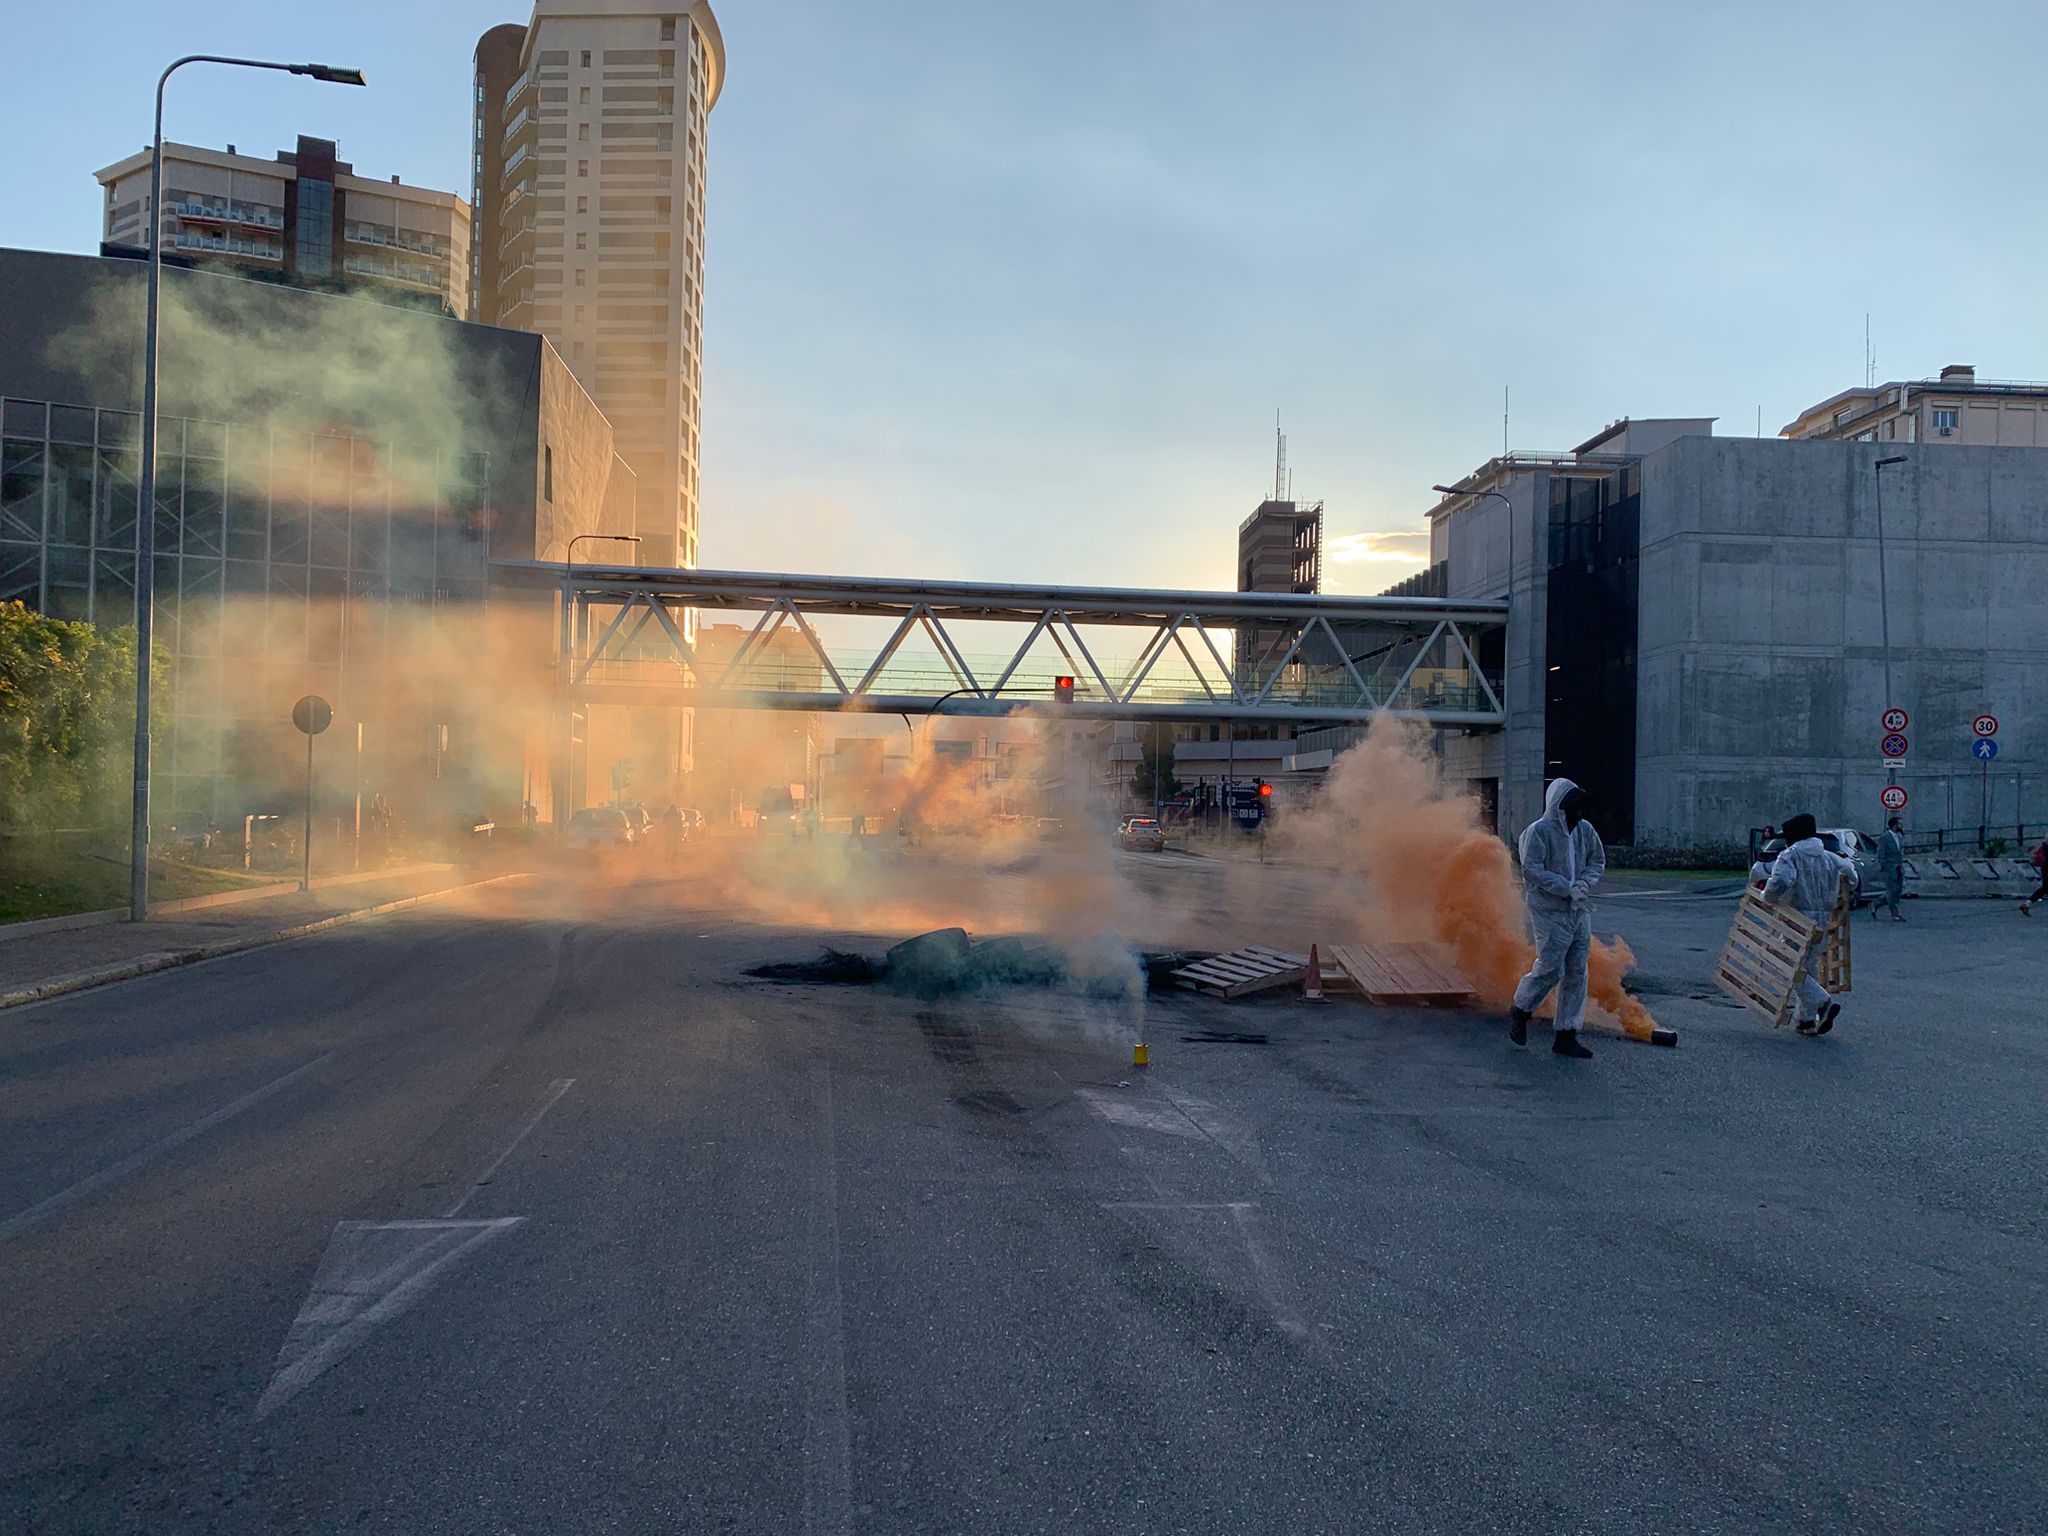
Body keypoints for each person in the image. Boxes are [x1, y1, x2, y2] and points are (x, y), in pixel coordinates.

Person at [1508, 777, 1604, 1059]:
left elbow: (1597, 860)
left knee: (1577, 971)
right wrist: (1565, 887)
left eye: (1579, 809)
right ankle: (1521, 1010)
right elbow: (1532, 870)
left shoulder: (1584, 830)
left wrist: (1584, 884)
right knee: (1551, 968)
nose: (1576, 814)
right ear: (1557, 806)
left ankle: (1566, 1034)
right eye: (1571, 808)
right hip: (1549, 911)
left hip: (1578, 910)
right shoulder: (1537, 832)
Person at [1762, 812, 1855, 1035]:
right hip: (1823, 919)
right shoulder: (1828, 856)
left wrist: (1768, 897)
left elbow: (1782, 880)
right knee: (1808, 967)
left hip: (1798, 919)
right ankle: (1806, 1019)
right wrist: (1844, 888)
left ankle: (1823, 1003)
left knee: (1789, 965)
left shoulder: (1791, 855)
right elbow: (1852, 874)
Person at [1875, 816, 1907, 923]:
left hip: (1898, 867)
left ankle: (1875, 904)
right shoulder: (1885, 837)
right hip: (1890, 868)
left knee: (1897, 892)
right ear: (1895, 825)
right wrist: (1885, 865)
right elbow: (1881, 853)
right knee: (1890, 891)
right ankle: (1895, 914)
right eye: (1900, 824)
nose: (1902, 826)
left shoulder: (1899, 837)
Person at [2020, 838, 2048, 916]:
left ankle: (2027, 904)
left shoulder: (2044, 845)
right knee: (2044, 889)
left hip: (2044, 868)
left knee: (2044, 889)